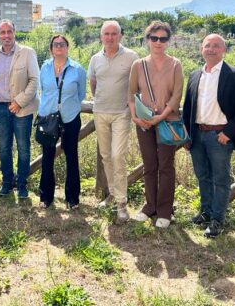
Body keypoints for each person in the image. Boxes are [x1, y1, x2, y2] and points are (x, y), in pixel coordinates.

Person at [182, 34, 235, 237]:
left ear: (224, 50)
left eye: (216, 46)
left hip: (219, 135)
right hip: (197, 133)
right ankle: (205, 212)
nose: (211, 49)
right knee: (202, 176)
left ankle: (217, 219)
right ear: (201, 49)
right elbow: (188, 106)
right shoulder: (195, 75)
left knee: (220, 179)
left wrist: (228, 132)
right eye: (207, 45)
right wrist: (187, 133)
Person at [128, 22, 183, 228]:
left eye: (163, 39)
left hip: (167, 121)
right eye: (154, 38)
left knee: (166, 166)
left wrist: (161, 117)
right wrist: (134, 116)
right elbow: (131, 94)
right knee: (149, 165)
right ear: (147, 39)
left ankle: (165, 210)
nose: (158, 42)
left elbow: (177, 96)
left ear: (168, 41)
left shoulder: (176, 64)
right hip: (144, 122)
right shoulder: (138, 65)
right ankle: (149, 206)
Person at [88, 20, 139, 222]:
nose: (110, 37)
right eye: (106, 34)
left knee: (118, 156)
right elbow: (93, 83)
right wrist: (100, 99)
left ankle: (122, 204)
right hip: (100, 111)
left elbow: (137, 84)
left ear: (120, 36)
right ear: (101, 36)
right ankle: (112, 195)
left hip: (121, 113)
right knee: (106, 156)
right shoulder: (95, 59)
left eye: (114, 33)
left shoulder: (131, 56)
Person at [0, 19, 39, 198]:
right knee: (4, 148)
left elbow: (34, 81)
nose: (6, 35)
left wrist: (19, 102)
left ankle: (22, 184)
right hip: (0, 108)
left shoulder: (27, 52)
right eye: (3, 32)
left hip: (22, 109)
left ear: (14, 32)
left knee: (23, 148)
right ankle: (7, 183)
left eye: (9, 31)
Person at [37, 35, 86, 209]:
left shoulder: (77, 69)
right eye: (55, 44)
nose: (59, 47)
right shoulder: (44, 68)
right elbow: (43, 90)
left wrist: (66, 107)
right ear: (51, 49)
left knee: (71, 156)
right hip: (48, 118)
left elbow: (81, 94)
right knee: (47, 157)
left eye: (62, 44)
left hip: (70, 118)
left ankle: (72, 198)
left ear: (67, 47)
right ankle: (46, 197)